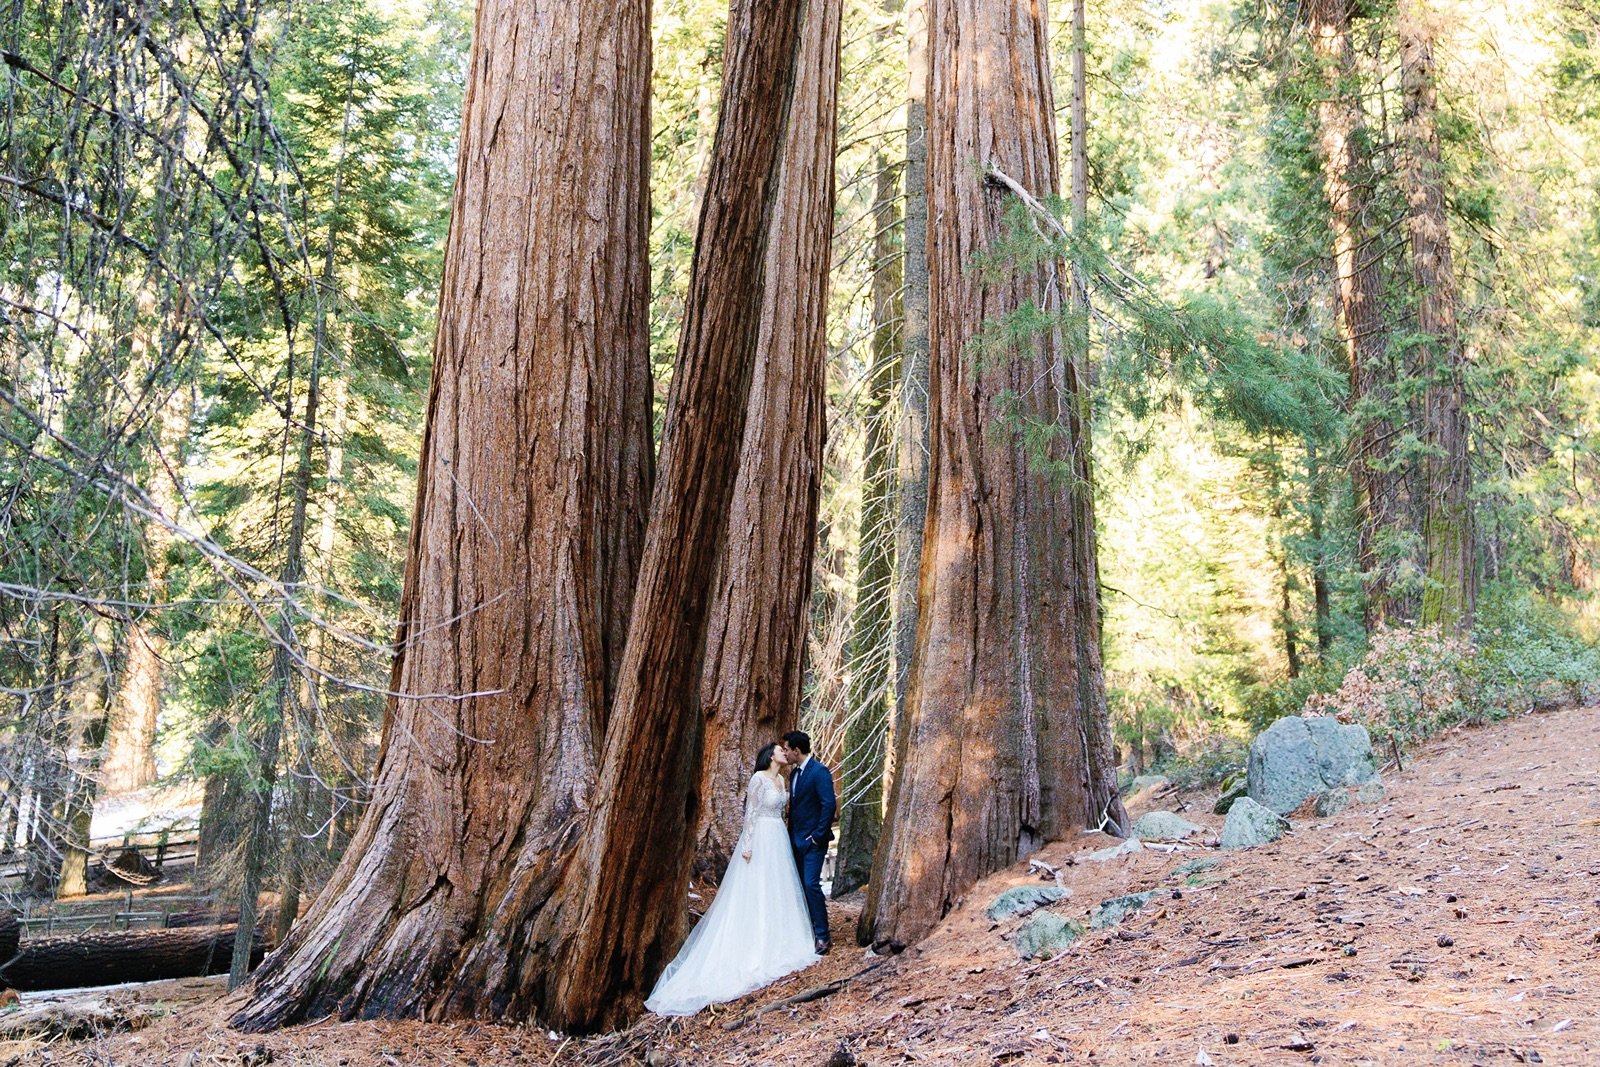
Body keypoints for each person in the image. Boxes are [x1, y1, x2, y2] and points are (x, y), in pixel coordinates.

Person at [644, 743, 819, 1016]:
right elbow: (750, 813)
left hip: (778, 838)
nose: (784, 753)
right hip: (760, 835)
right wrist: (747, 844)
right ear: (769, 756)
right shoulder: (758, 779)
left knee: (778, 890)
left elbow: (784, 814)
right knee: (757, 887)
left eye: (786, 751)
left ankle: (782, 942)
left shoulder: (783, 780)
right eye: (779, 750)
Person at [781, 729, 836, 954]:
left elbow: (828, 805)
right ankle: (807, 931)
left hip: (813, 841)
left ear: (797, 750)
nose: (785, 753)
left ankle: (823, 936)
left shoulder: (819, 771)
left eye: (786, 749)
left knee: (811, 884)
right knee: (798, 887)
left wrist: (817, 836)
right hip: (794, 841)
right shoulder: (794, 775)